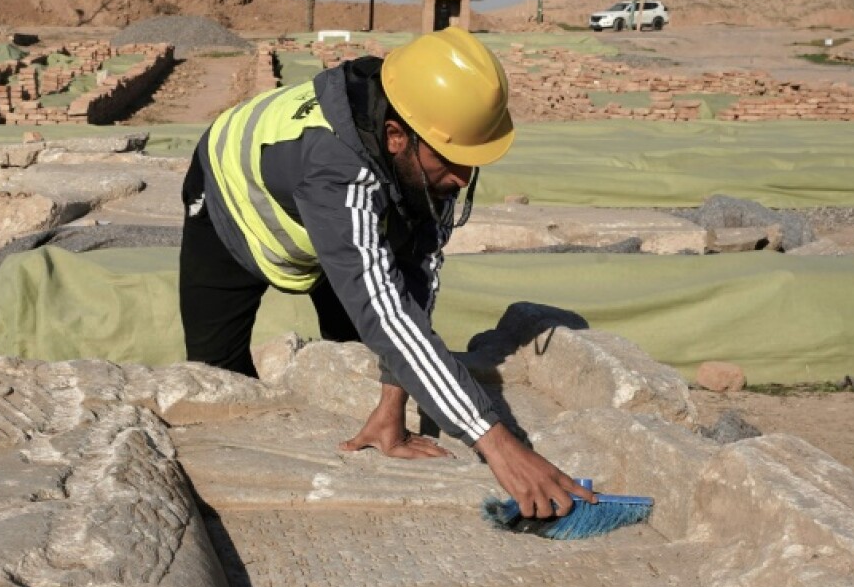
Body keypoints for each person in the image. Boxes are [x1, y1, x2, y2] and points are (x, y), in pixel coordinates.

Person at [178, 26, 594, 520]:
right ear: (395, 136)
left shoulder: (423, 138)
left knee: (357, 345)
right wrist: (499, 444)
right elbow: (384, 311)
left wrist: (392, 402)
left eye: (472, 162)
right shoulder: (337, 169)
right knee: (217, 376)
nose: (462, 178)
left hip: (332, 213)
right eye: (454, 161)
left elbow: (414, 282)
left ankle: (378, 425)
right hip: (227, 197)